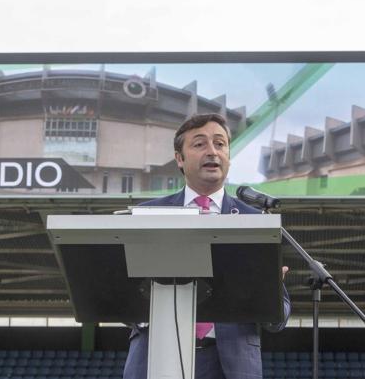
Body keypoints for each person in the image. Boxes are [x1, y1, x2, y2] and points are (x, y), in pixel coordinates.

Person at [123, 113, 291, 379]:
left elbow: (278, 320)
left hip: (230, 365)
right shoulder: (146, 215)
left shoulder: (256, 220)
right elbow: (121, 294)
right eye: (200, 144)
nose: (212, 151)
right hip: (154, 358)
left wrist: (268, 293)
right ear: (179, 158)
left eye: (220, 144)